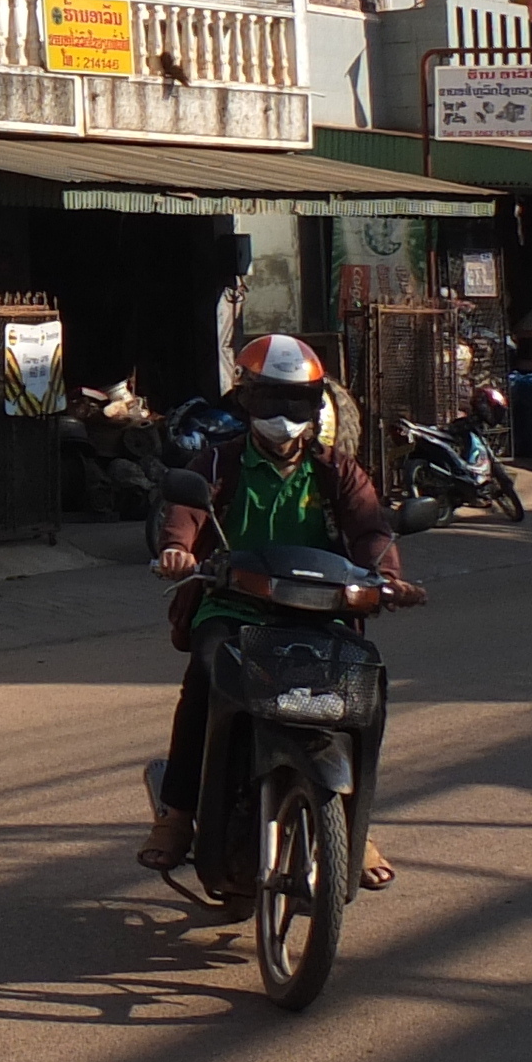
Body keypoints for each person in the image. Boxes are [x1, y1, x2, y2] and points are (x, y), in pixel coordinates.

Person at [144, 331, 421, 887]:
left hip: (320, 610)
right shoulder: (217, 464)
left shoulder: (337, 472)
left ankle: (354, 822)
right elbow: (184, 513)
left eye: (297, 401)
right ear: (247, 401)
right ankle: (177, 815)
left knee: (364, 693)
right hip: (231, 606)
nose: (285, 414)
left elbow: (370, 529)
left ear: (316, 405)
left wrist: (389, 578)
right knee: (205, 678)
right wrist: (177, 550)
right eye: (271, 400)